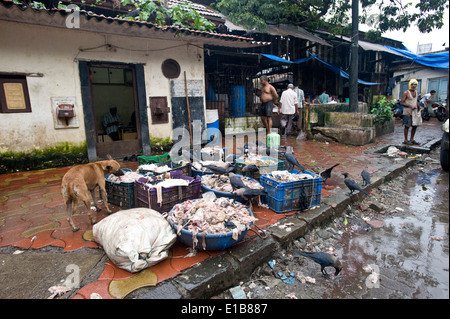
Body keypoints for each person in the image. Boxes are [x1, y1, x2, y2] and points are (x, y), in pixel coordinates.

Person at [400, 79, 422, 145]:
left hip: (414, 112)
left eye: (415, 84)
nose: (413, 86)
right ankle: (405, 140)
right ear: (410, 85)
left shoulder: (416, 92)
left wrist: (419, 106)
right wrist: (410, 106)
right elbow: (401, 103)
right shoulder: (406, 93)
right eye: (412, 84)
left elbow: (415, 101)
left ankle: (412, 139)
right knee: (407, 126)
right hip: (407, 112)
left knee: (414, 125)